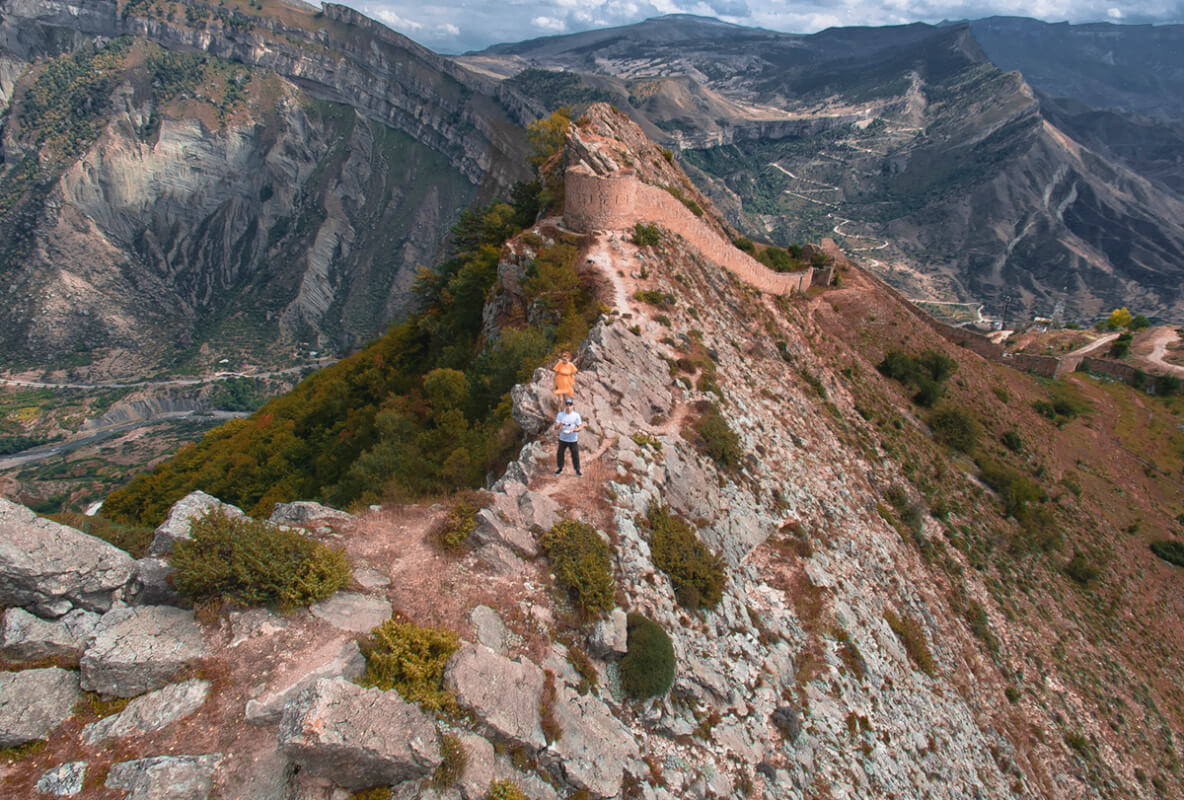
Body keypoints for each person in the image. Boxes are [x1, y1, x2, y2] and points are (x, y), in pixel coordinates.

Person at [554, 396, 585, 476]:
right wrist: (560, 425)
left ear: (573, 406)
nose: (568, 406)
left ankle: (577, 470)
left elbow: (580, 427)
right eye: (567, 404)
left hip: (573, 439)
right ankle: (560, 468)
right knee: (560, 453)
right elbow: (555, 427)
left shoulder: (576, 415)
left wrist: (574, 430)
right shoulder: (560, 415)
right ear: (565, 406)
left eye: (570, 404)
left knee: (575, 455)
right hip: (562, 438)